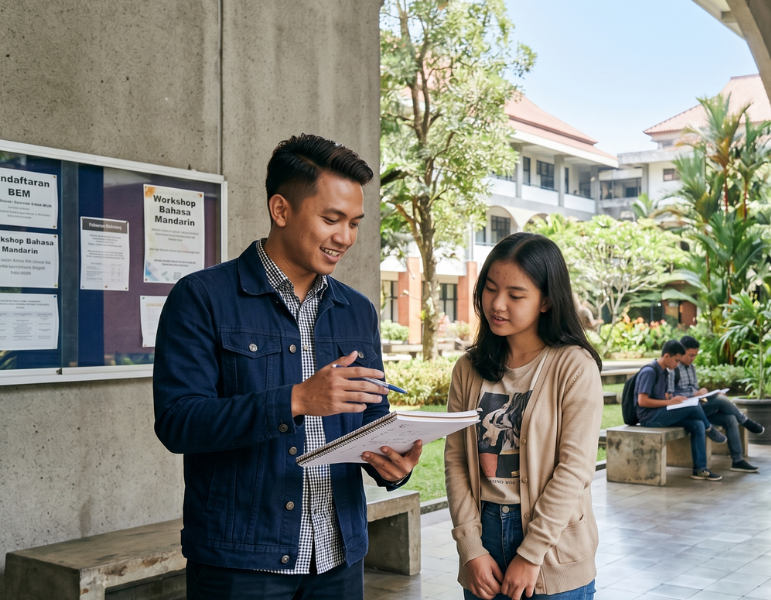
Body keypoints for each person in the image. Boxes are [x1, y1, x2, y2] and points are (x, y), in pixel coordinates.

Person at [153, 135, 422, 597]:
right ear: (281, 210)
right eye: (331, 219)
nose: (346, 237)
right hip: (241, 563)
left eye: (354, 223)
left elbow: (372, 416)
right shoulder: (201, 298)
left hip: (338, 557)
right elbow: (178, 423)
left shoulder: (357, 312)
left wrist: (392, 466)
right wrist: (296, 400)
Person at [445, 232, 604, 600]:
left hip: (554, 543)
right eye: (490, 289)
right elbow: (456, 460)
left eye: (516, 295)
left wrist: (531, 554)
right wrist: (470, 547)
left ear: (546, 300)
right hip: (484, 538)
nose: (497, 304)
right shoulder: (468, 368)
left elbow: (575, 469)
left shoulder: (574, 366)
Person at [634, 341, 727, 481]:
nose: (678, 364)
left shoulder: (664, 371)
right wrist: (669, 402)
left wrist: (672, 398)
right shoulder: (650, 371)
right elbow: (642, 401)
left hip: (661, 412)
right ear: (666, 356)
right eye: (676, 360)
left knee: (697, 424)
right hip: (649, 418)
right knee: (694, 406)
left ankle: (700, 469)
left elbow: (662, 395)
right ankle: (710, 429)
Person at [675, 335, 764, 473]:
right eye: (690, 355)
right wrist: (694, 395)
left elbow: (693, 390)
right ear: (681, 352)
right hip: (686, 410)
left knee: (730, 418)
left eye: (695, 355)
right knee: (721, 401)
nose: (692, 358)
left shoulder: (691, 367)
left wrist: (705, 393)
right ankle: (745, 421)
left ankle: (738, 460)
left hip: (699, 406)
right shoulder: (673, 368)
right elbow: (671, 396)